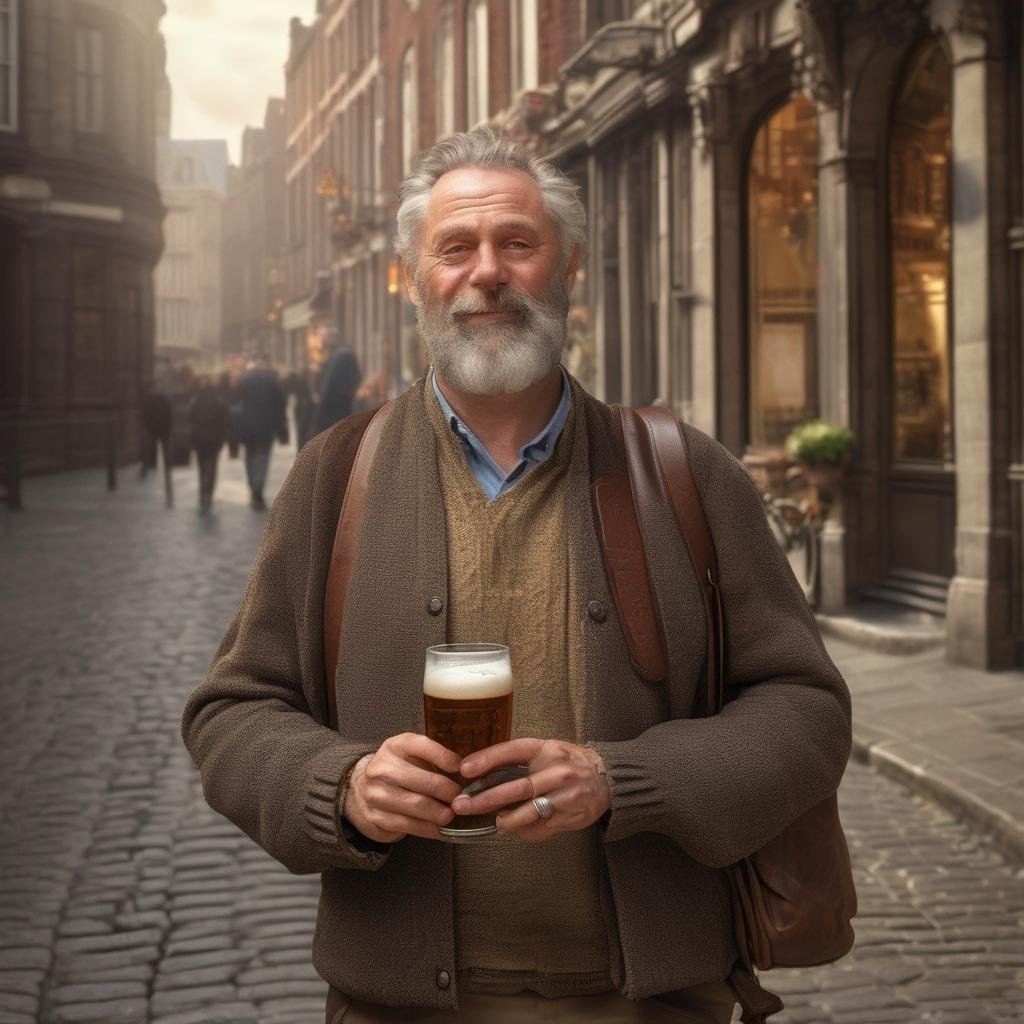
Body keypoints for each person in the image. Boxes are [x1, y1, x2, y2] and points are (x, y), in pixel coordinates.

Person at [182, 129, 851, 1024]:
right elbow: (232, 714)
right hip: (397, 1007)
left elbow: (806, 711)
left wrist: (626, 780)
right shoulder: (336, 475)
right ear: (414, 278)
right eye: (456, 248)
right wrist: (339, 787)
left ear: (566, 265)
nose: (487, 271)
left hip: (650, 1003)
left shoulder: (682, 471)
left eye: (518, 244)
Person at [235, 355, 286, 509]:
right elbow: (279, 407)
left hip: (247, 427)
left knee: (249, 457)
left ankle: (253, 487)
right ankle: (258, 490)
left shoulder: (243, 379)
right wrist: (281, 429)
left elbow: (237, 405)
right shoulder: (273, 381)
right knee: (262, 459)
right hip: (266, 427)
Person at [188, 374, 229, 513]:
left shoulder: (197, 398)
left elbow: (223, 419)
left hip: (208, 439)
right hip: (207, 439)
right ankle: (205, 493)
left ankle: (206, 493)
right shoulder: (213, 398)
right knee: (206, 468)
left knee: (207, 468)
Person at [313, 340, 362, 434]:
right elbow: (358, 377)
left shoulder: (337, 359)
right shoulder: (349, 355)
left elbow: (328, 389)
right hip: (347, 411)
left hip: (333, 413)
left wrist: (318, 419)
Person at [139, 382, 173, 507]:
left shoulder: (157, 400)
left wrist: (147, 426)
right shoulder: (154, 400)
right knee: (150, 449)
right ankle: (149, 466)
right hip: (157, 429)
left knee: (154, 449)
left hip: (159, 429)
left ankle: (152, 466)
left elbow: (168, 415)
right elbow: (145, 415)